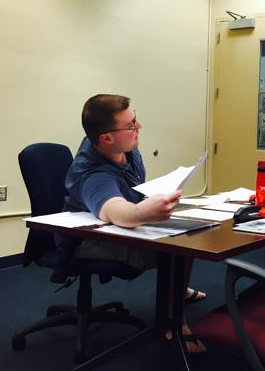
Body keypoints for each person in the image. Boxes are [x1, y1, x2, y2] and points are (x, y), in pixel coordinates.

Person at [63, 94, 205, 352]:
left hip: (110, 225)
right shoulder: (93, 174)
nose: (138, 127)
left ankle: (179, 290)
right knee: (176, 246)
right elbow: (118, 212)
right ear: (106, 138)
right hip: (89, 239)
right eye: (130, 125)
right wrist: (143, 212)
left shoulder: (122, 147)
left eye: (135, 120)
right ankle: (175, 324)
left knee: (188, 230)